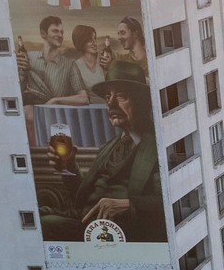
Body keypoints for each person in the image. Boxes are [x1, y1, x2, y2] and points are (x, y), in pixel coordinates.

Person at [40, 58, 165, 243]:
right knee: (32, 217)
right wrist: (69, 168)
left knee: (44, 224)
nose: (111, 104)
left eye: (121, 96)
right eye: (107, 97)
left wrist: (129, 205)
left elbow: (169, 200)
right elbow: (82, 198)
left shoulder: (157, 145)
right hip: (81, 218)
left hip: (113, 232)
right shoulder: (109, 146)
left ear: (141, 101)